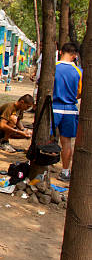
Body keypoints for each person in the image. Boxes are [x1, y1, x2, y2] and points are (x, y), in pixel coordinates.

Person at [53, 42, 81, 182]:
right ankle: (65, 171)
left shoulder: (53, 67)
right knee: (67, 142)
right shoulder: (78, 71)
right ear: (74, 55)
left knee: (48, 137)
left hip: (53, 108)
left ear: (60, 52)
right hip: (70, 109)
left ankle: (44, 165)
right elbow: (80, 92)